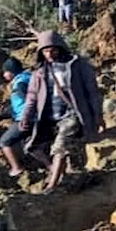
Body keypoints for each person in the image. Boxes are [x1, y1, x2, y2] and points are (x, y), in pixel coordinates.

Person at [20, 31, 103, 192]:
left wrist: (98, 115)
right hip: (49, 117)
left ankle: (52, 184)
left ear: (60, 48)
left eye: (53, 50)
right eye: (45, 51)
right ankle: (69, 176)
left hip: (72, 114)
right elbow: (31, 97)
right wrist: (26, 117)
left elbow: (92, 91)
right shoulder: (39, 72)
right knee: (36, 146)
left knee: (60, 147)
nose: (49, 54)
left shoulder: (77, 65)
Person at [0, 57, 49, 177]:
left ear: (10, 72)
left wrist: (26, 117)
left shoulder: (20, 83)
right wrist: (0, 116)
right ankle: (50, 166)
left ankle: (16, 168)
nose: (4, 75)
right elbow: (16, 106)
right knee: (31, 146)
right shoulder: (28, 78)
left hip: (26, 120)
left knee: (5, 142)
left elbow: (28, 101)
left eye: (5, 72)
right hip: (36, 118)